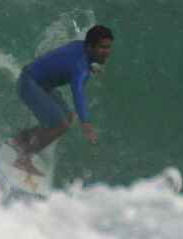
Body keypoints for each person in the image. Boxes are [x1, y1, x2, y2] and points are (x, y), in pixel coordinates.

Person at [8, 25, 114, 176]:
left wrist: (91, 67)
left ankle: (20, 140)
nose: (107, 52)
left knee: (68, 117)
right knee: (60, 125)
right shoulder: (80, 66)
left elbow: (70, 60)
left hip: (37, 83)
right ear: (90, 46)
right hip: (29, 85)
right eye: (103, 47)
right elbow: (78, 90)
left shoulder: (81, 48)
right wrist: (85, 122)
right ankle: (23, 159)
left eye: (109, 47)